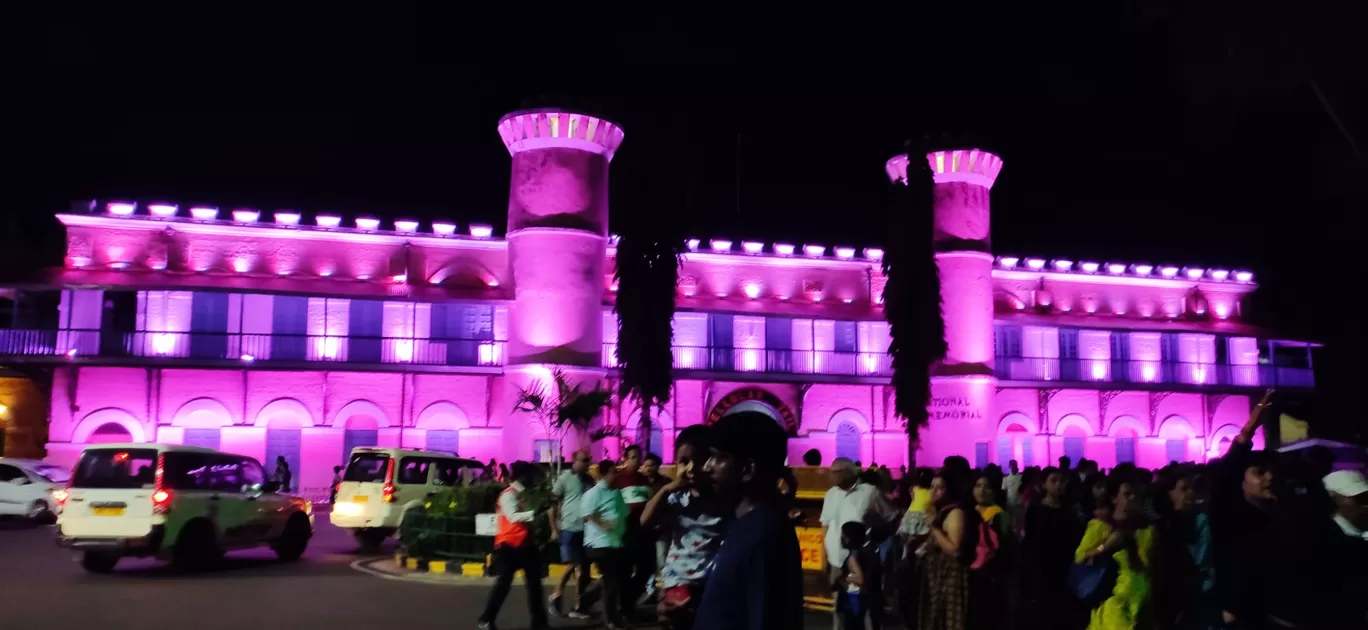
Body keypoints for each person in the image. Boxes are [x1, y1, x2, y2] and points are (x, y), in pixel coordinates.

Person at [694, 411, 804, 629]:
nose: (707, 467)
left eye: (717, 457)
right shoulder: (741, 523)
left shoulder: (766, 536)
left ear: (747, 470)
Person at [641, 424, 727, 630]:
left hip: (712, 584)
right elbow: (645, 521)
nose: (690, 469)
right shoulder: (677, 498)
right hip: (678, 581)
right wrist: (666, 490)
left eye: (699, 461)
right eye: (684, 462)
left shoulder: (725, 500)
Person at [1074, 475, 1155, 630]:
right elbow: (1081, 558)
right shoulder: (1102, 525)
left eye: (1137, 495)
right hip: (1112, 603)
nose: (1133, 498)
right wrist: (1105, 546)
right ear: (1114, 498)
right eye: (1127, 494)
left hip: (1140, 603)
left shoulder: (1147, 529)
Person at [477, 461, 549, 630]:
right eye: (531, 475)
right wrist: (535, 513)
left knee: (535, 586)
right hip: (508, 546)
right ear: (523, 477)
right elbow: (513, 516)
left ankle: (539, 622)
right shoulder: (508, 495)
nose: (533, 479)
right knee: (503, 585)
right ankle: (486, 619)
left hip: (525, 545)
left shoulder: (523, 494)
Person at [821, 457, 885, 630]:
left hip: (863, 561)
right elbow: (825, 526)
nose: (830, 476)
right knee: (840, 608)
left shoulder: (870, 492)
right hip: (837, 560)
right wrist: (824, 558)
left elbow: (890, 517)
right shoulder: (831, 494)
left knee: (866, 610)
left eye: (834, 472)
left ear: (846, 473)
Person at [1020, 466, 1084, 630]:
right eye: (1053, 481)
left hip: (1064, 569)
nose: (1058, 485)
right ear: (1044, 484)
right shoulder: (1035, 511)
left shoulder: (1070, 512)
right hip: (1042, 571)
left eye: (1062, 481)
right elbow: (1030, 543)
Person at [917, 467, 978, 630]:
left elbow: (955, 549)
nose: (934, 491)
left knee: (950, 621)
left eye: (941, 487)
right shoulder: (939, 511)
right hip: (938, 574)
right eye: (932, 487)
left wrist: (934, 527)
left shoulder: (955, 512)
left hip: (951, 576)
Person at [582, 459, 629, 629]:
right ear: (603, 474)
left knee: (613, 579)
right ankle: (611, 619)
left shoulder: (616, 493)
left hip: (614, 543)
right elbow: (587, 515)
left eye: (616, 471)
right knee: (611, 582)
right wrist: (603, 524)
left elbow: (623, 514)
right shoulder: (593, 493)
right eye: (612, 472)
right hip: (598, 544)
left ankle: (585, 601)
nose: (615, 474)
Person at [547, 449, 593, 620]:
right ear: (574, 460)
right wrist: (554, 528)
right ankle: (560, 596)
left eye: (588, 460)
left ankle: (576, 604)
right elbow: (552, 504)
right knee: (574, 565)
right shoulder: (565, 478)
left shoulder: (589, 480)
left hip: (586, 529)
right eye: (583, 460)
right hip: (569, 528)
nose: (586, 463)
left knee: (581, 570)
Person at [614, 444, 653, 609]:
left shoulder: (644, 479)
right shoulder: (618, 479)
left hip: (642, 530)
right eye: (633, 457)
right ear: (625, 458)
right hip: (625, 530)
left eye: (639, 457)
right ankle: (625, 607)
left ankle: (628, 600)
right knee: (625, 570)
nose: (637, 461)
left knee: (647, 568)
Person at [836, 521, 883, 630]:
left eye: (842, 535)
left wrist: (843, 579)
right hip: (865, 601)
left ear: (848, 538)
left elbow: (859, 578)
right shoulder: (869, 552)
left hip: (853, 601)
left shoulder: (854, 556)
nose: (840, 539)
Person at [639, 452, 672, 605]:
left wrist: (665, 522)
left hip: (661, 529)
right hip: (644, 529)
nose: (647, 468)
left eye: (651, 465)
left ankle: (666, 591)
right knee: (647, 560)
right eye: (646, 465)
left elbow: (672, 506)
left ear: (658, 466)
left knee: (662, 559)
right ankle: (650, 590)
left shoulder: (666, 483)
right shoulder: (639, 483)